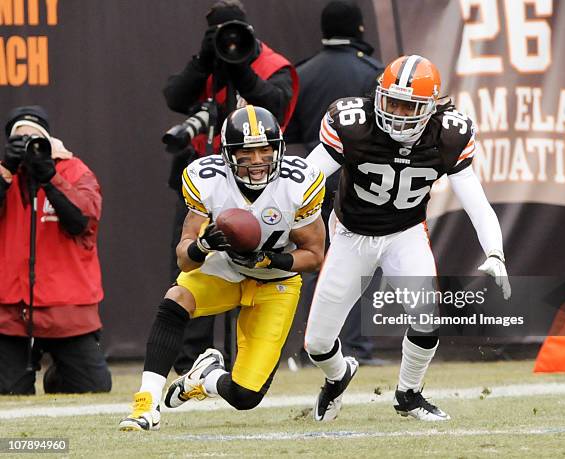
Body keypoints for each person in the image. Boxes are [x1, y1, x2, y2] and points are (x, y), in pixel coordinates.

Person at [304, 55, 512, 422]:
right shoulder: (354, 124)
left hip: (405, 233)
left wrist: (495, 252)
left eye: (409, 105)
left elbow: (476, 202)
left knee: (427, 314)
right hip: (352, 234)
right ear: (378, 96)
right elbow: (305, 178)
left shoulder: (447, 134)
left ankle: (409, 394)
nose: (398, 114)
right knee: (317, 344)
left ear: (430, 108)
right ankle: (338, 376)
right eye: (392, 102)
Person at [119, 105, 325, 431]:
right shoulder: (207, 179)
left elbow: (314, 256)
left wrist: (273, 260)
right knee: (177, 297)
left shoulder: (298, 185)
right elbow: (183, 258)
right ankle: (146, 403)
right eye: (246, 152)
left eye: (265, 149)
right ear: (228, 154)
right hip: (227, 268)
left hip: (276, 282)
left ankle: (206, 377)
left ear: (279, 149)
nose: (257, 160)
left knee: (245, 395)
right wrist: (204, 246)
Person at [163, 0, 299, 374]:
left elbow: (279, 106)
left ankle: (245, 360)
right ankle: (190, 362)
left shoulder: (271, 64)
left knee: (253, 262)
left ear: (249, 33)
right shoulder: (208, 62)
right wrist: (203, 60)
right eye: (220, 35)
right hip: (207, 183)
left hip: (261, 183)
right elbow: (175, 96)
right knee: (195, 262)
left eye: (233, 34)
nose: (229, 42)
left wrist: (241, 70)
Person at [285, 0, 385, 366]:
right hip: (360, 181)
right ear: (359, 29)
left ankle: (310, 346)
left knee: (313, 260)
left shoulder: (303, 73)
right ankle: (355, 346)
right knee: (360, 260)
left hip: (314, 179)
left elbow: (292, 130)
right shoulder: (370, 73)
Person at [0, 106, 111, 395]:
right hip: (9, 310)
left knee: (93, 389)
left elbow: (83, 222)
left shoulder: (74, 170)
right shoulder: (4, 172)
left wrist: (50, 178)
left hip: (67, 307)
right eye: (19, 140)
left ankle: (56, 376)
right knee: (8, 393)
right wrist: (5, 172)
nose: (27, 147)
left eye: (34, 139)